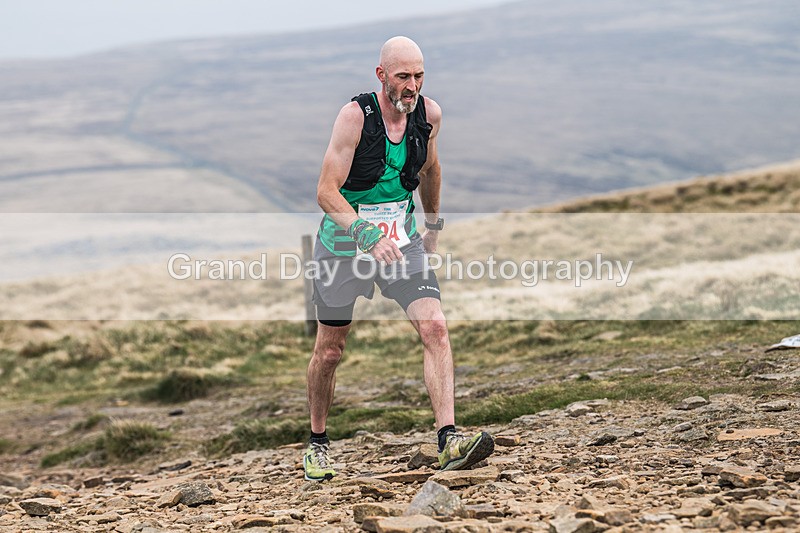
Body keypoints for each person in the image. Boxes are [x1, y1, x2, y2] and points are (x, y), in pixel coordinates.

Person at [303, 36, 494, 482]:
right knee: (330, 351)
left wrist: (432, 228)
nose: (412, 86)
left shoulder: (429, 115)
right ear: (382, 75)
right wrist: (367, 234)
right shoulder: (354, 118)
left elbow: (430, 169)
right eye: (403, 76)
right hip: (345, 243)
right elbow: (325, 192)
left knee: (435, 326)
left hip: (402, 240)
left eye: (419, 76)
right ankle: (317, 443)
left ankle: (449, 440)